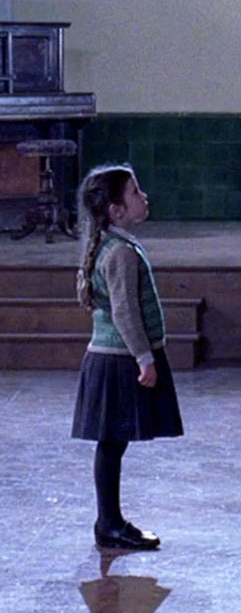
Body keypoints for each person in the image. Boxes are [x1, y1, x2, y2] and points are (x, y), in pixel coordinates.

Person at [71, 164, 184, 550]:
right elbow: (124, 311)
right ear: (116, 210)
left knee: (112, 442)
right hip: (118, 360)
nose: (144, 196)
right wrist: (144, 357)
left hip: (113, 358)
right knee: (112, 442)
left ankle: (110, 521)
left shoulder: (113, 245)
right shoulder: (119, 253)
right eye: (135, 192)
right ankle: (109, 524)